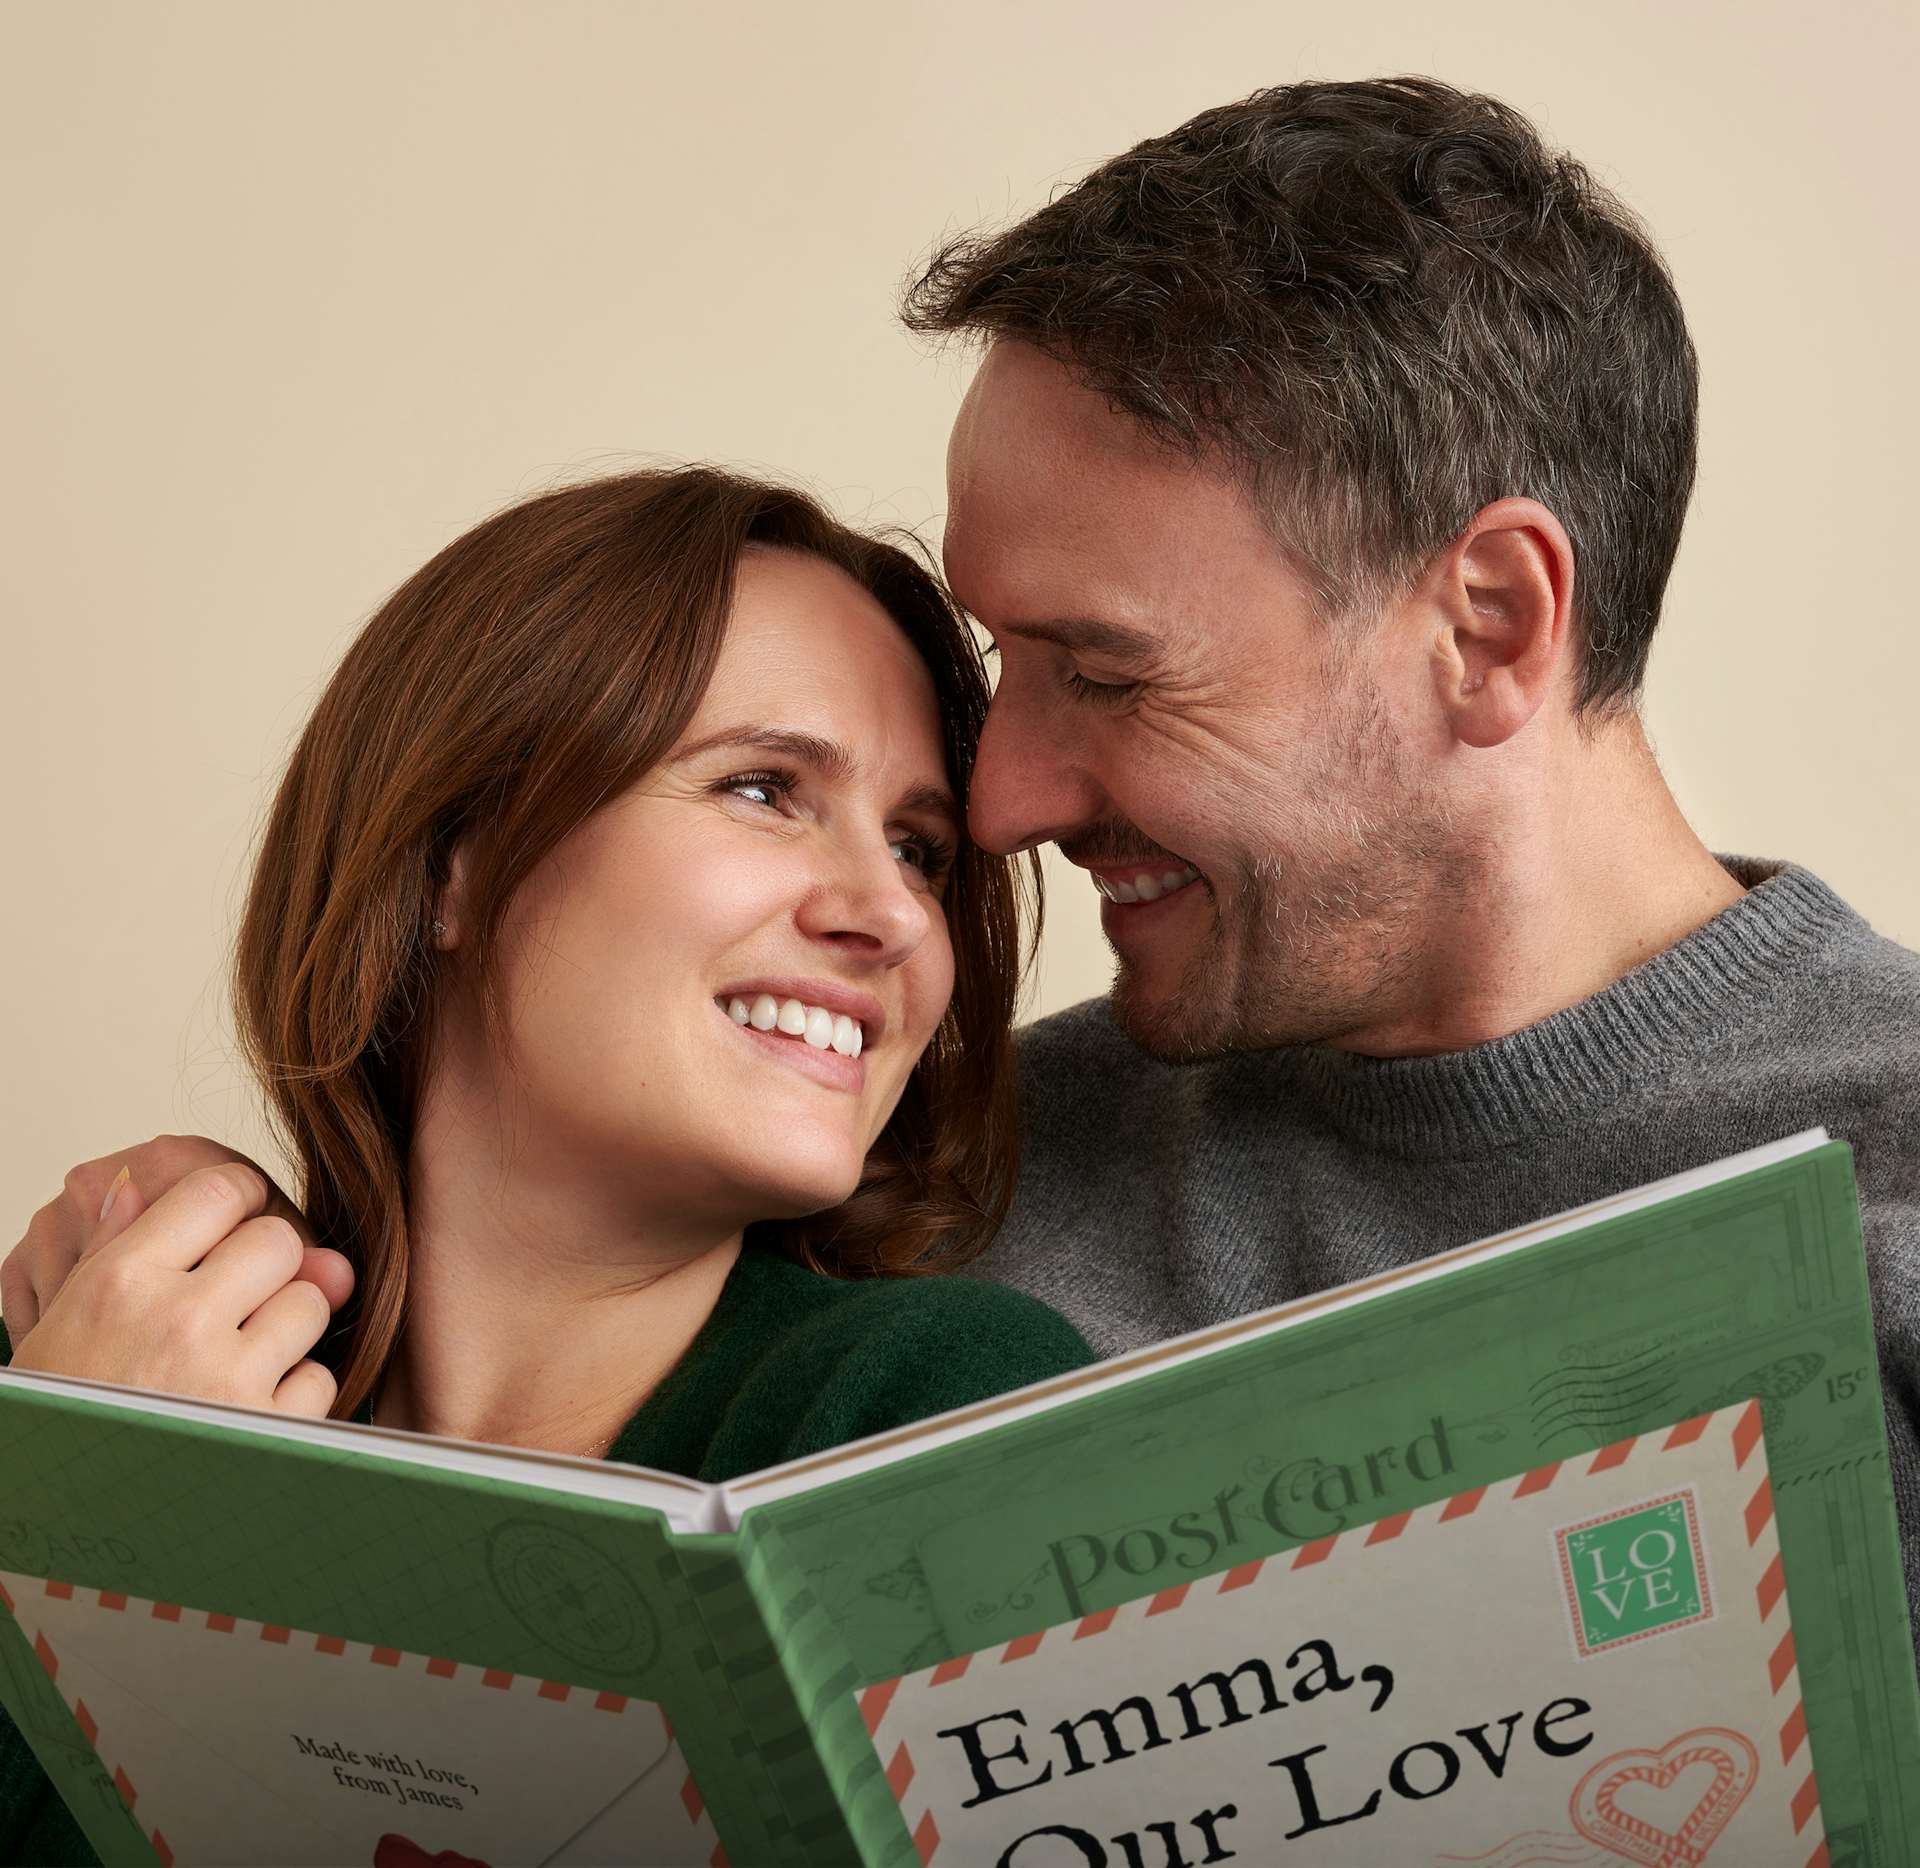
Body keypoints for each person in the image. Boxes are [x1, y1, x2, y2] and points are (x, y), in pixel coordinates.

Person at [12, 75, 1918, 1637]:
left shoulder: (1886, 1179)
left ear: (1490, 623)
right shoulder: (950, 1167)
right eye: (1006, 672)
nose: (997, 817)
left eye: (1104, 669)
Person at [0, 466, 1093, 1862]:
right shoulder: (84, 1366)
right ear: (452, 860)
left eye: (923, 851)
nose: (889, 914)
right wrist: (65, 1518)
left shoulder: (928, 1410)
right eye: (765, 789)